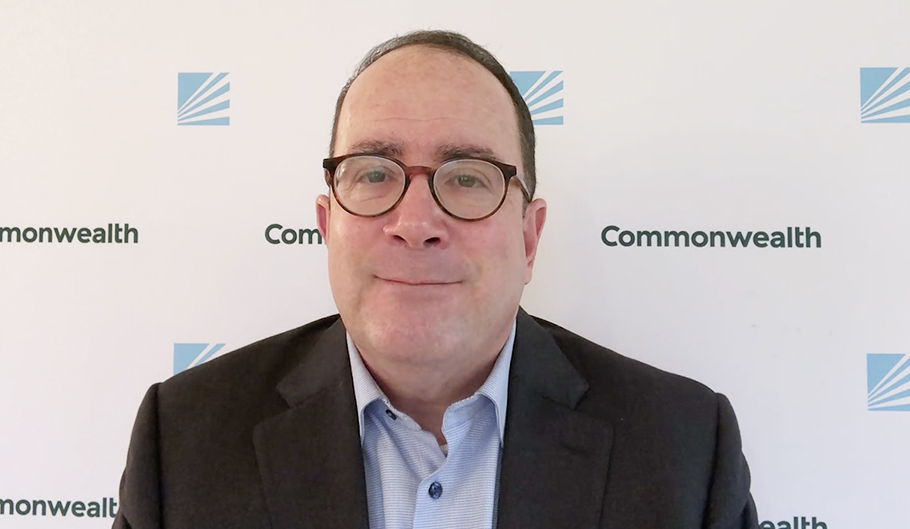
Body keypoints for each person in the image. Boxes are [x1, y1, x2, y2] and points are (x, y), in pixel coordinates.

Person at [114, 30, 757, 529]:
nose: (416, 223)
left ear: (529, 238)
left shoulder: (685, 451)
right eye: (373, 173)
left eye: (468, 177)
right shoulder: (184, 443)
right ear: (327, 225)